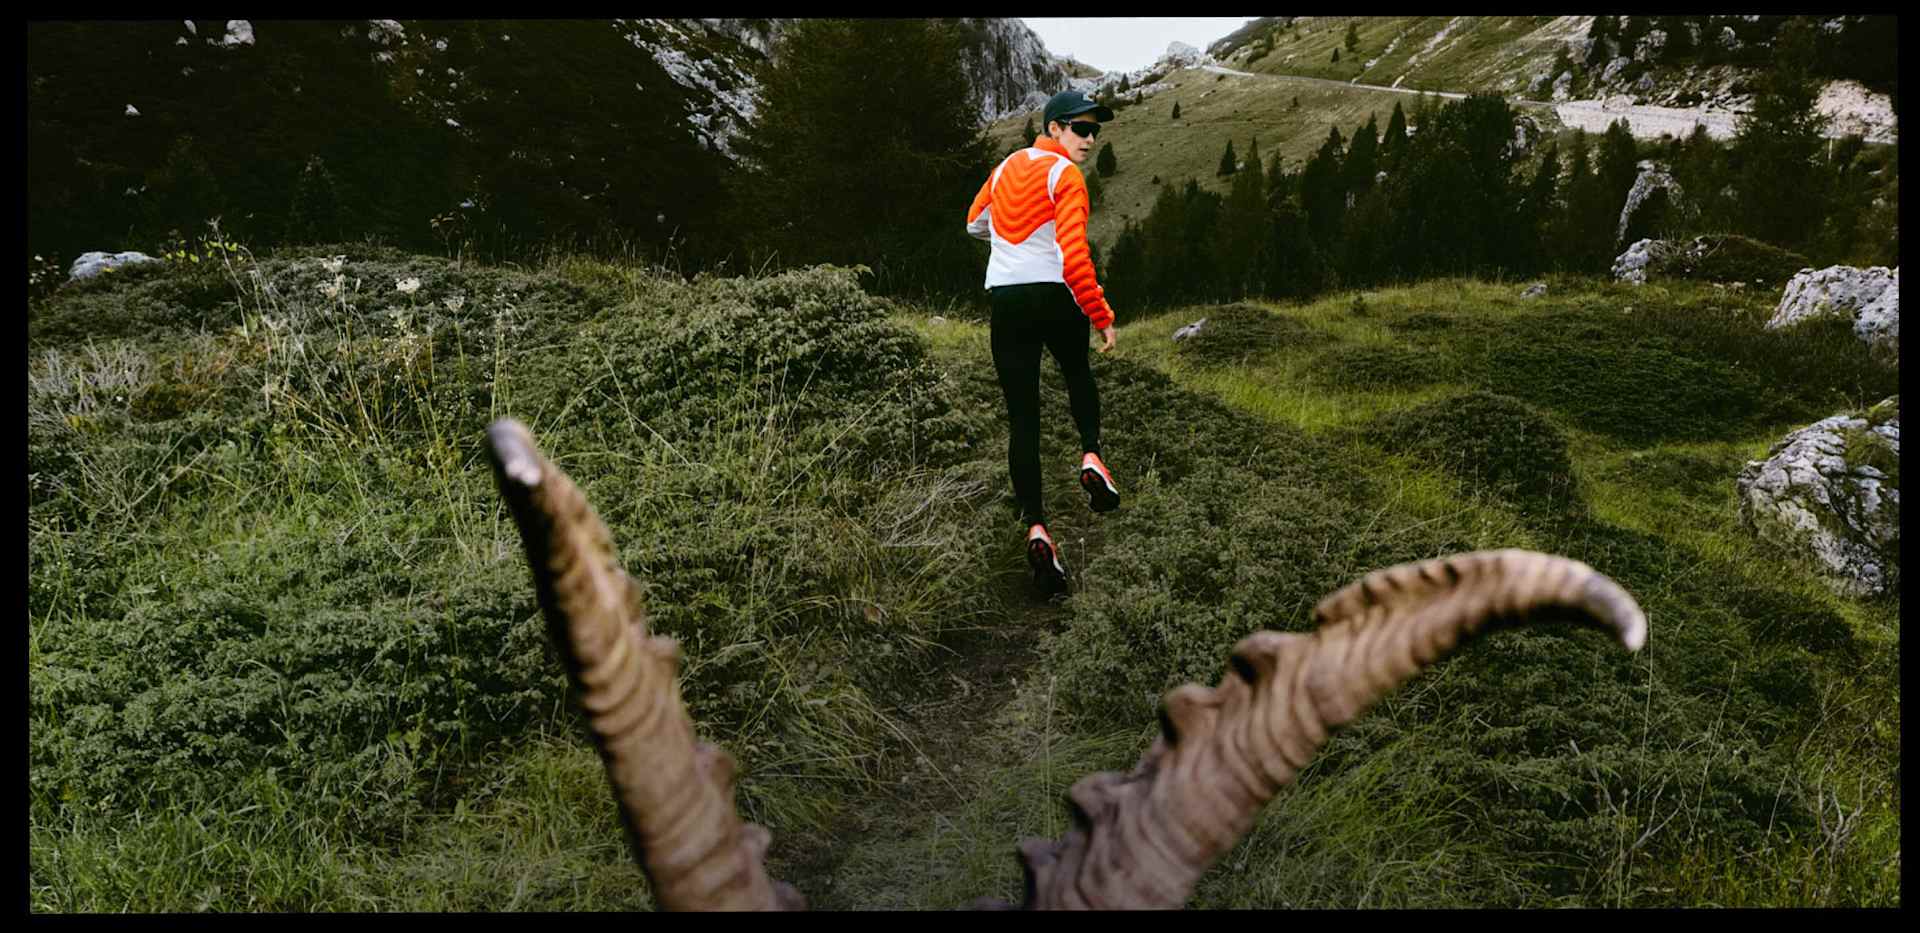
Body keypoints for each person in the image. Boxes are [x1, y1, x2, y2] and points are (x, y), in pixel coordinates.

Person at [964, 89, 1122, 591]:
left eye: (1095, 130)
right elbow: (1074, 258)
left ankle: (1037, 527)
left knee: (1023, 418)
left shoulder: (1006, 166)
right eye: (1081, 128)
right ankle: (1092, 455)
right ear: (1054, 128)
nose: (1090, 139)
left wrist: (1012, 244)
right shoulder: (1066, 176)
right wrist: (1101, 315)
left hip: (1007, 301)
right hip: (1056, 295)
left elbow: (974, 223)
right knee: (1077, 373)